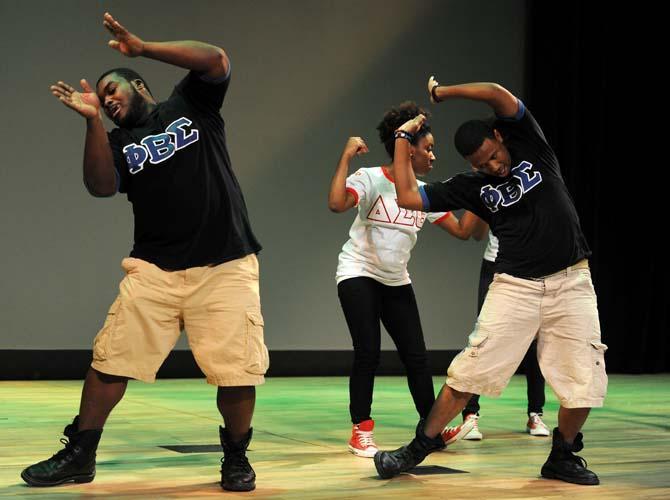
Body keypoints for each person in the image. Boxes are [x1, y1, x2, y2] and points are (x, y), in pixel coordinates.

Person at [22, 13, 267, 492]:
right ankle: (80, 454)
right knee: (111, 358)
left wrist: (143, 46)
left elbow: (216, 60)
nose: (108, 100)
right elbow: (100, 186)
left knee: (237, 368)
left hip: (224, 263)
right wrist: (92, 121)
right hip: (154, 269)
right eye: (101, 97)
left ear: (138, 84)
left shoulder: (190, 105)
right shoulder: (116, 143)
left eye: (112, 91)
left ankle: (236, 458)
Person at [374, 77, 607, 486]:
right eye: (481, 165)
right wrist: (400, 138)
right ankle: (417, 449)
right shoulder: (473, 187)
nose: (493, 167)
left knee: (584, 379)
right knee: (469, 373)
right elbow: (409, 196)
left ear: (500, 137)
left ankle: (563, 454)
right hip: (515, 286)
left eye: (494, 157)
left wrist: (442, 94)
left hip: (572, 281)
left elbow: (498, 94)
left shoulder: (531, 146)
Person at [328, 102, 476, 458]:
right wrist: (346, 157)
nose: (433, 155)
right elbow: (336, 204)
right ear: (408, 148)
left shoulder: (423, 193)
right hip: (358, 272)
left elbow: (462, 231)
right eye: (428, 148)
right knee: (368, 352)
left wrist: (479, 190)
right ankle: (360, 431)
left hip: (396, 280)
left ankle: (430, 430)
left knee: (417, 357)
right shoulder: (371, 178)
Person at [461, 230, 550, 440]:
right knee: (483, 339)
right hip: (496, 263)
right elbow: (474, 231)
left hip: (532, 266)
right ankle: (470, 414)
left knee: (534, 340)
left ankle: (535, 412)